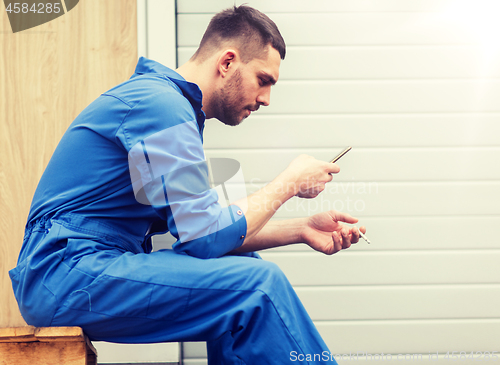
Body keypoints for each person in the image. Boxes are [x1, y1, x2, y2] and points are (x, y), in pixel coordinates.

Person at [10, 5, 366, 364]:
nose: (265, 99)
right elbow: (204, 235)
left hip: (75, 270)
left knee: (242, 266)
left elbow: (208, 233)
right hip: (63, 272)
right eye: (263, 80)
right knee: (258, 286)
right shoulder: (160, 105)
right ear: (227, 62)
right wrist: (288, 182)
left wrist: (301, 228)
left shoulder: (167, 107)